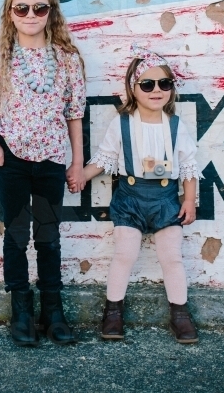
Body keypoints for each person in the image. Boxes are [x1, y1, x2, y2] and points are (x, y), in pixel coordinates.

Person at [0, 0, 86, 347]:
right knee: (17, 237)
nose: (31, 14)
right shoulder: (0, 55)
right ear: (11, 14)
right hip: (13, 160)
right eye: (22, 8)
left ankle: (53, 310)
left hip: (51, 160)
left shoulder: (66, 59)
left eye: (40, 7)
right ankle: (21, 311)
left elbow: (75, 113)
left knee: (48, 237)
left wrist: (77, 162)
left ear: (51, 13)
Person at [70, 43, 200, 344]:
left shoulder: (176, 126)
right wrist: (80, 176)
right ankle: (113, 312)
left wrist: (189, 200)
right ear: (133, 89)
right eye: (148, 84)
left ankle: (180, 314)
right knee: (124, 255)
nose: (157, 90)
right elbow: (104, 159)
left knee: (172, 258)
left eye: (165, 83)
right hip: (129, 199)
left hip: (166, 200)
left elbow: (189, 166)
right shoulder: (122, 124)